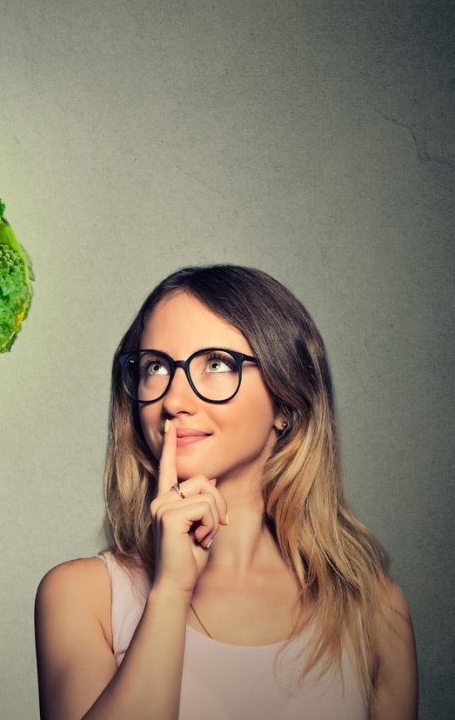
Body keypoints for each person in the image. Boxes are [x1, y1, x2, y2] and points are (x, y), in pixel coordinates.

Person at [35, 265, 417, 720]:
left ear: (286, 404)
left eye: (217, 363)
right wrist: (171, 593)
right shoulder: (83, 596)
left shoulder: (373, 610)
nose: (174, 400)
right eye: (156, 367)